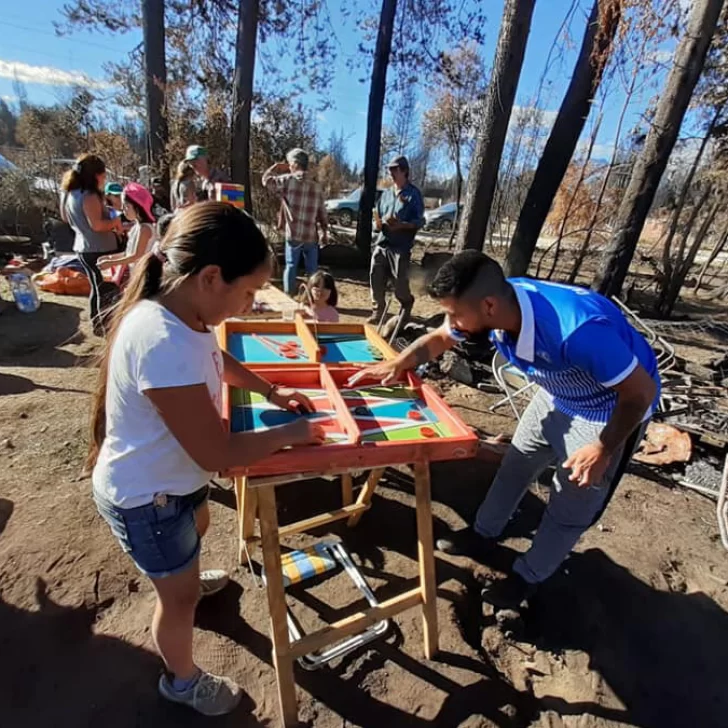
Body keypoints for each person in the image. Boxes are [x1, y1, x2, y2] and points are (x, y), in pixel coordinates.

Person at [89, 202, 325, 716]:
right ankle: (180, 680)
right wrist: (297, 432)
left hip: (171, 483)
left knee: (197, 522)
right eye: (247, 292)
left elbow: (217, 360)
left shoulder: (185, 313)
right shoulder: (161, 338)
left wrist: (272, 391)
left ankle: (187, 571)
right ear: (211, 277)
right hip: (146, 498)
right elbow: (217, 454)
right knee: (179, 602)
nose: (248, 304)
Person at [355, 251, 660, 612]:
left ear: (488, 306)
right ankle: (484, 533)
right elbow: (440, 338)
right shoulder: (497, 307)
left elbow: (640, 393)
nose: (451, 322)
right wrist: (397, 363)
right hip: (556, 392)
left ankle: (529, 576)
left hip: (607, 412)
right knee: (516, 463)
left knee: (570, 502)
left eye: (455, 314)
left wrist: (603, 447)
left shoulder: (577, 330)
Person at [60, 154, 123, 335]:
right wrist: (116, 221)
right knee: (106, 290)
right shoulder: (90, 196)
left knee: (97, 288)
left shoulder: (71, 193)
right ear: (96, 175)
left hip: (83, 247)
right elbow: (97, 225)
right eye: (103, 175)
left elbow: (66, 217)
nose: (104, 179)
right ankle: (107, 327)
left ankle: (98, 325)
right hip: (98, 249)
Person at [262, 148, 328, 295]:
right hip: (311, 235)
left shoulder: (287, 180)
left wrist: (275, 168)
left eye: (290, 163)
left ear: (295, 164)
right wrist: (324, 231)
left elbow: (265, 181)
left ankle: (289, 296)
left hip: (293, 234)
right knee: (312, 269)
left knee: (291, 266)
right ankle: (312, 298)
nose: (289, 166)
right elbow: (322, 212)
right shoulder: (317, 186)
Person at [368, 155, 425, 326]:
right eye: (390, 170)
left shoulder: (413, 194)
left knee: (400, 283)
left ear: (404, 171)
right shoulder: (386, 194)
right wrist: (376, 224)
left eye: (395, 170)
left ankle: (406, 304)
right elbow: (376, 215)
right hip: (382, 243)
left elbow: (420, 221)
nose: (391, 173)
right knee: (375, 278)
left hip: (400, 247)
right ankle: (378, 311)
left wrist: (402, 225)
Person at [97, 183, 157, 274]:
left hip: (145, 274)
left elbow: (136, 256)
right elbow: (128, 253)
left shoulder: (145, 229)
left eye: (126, 206)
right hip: (136, 273)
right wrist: (109, 258)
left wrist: (111, 263)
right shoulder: (136, 227)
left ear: (138, 207)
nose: (122, 209)